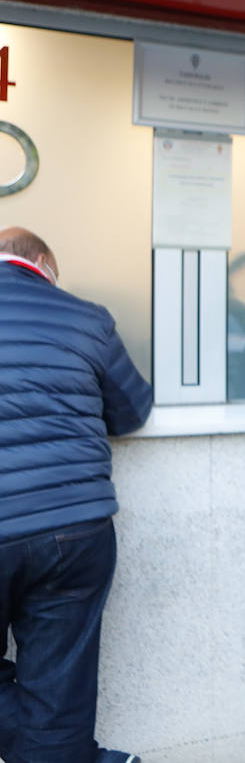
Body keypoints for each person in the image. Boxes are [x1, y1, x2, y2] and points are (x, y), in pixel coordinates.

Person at [0, 227, 152, 763]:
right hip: (74, 527)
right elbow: (132, 411)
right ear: (42, 262)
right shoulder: (87, 317)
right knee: (58, 688)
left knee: (53, 698)